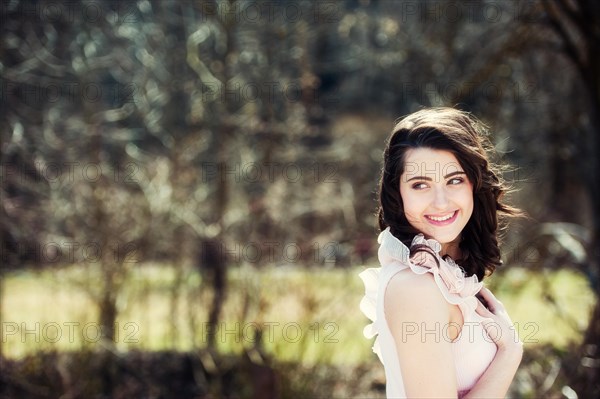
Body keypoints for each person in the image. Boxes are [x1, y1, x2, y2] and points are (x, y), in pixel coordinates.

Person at [359, 107, 523, 398]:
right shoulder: (415, 286)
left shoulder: (445, 273)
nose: (440, 202)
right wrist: (510, 353)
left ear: (475, 184)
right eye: (420, 184)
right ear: (398, 194)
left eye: (454, 180)